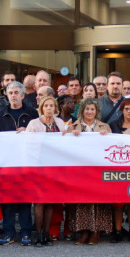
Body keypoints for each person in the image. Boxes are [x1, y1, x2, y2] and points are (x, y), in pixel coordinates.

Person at [65, 98, 113, 245]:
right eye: (87, 109)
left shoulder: (105, 126)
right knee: (82, 201)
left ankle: (96, 231)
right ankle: (84, 231)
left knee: (98, 200)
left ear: (96, 111)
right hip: (80, 172)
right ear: (82, 111)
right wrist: (71, 134)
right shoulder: (73, 126)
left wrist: (107, 136)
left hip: (99, 170)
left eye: (92, 109)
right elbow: (63, 145)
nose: (90, 112)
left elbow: (111, 147)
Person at [26, 97, 67, 246]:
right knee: (39, 202)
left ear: (55, 108)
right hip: (38, 167)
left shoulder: (60, 123)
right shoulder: (34, 124)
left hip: (54, 167)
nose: (49, 108)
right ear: (41, 108)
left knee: (51, 201)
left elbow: (66, 143)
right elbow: (28, 144)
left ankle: (46, 233)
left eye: (51, 106)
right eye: (46, 106)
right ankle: (37, 233)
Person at [109, 98, 130, 242]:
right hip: (118, 169)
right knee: (118, 202)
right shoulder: (113, 125)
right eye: (126, 109)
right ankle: (117, 230)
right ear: (122, 110)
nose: (129, 111)